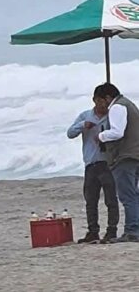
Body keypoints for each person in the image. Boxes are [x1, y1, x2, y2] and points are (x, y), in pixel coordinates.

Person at [67, 94, 118, 243]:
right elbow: (70, 133)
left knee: (111, 199)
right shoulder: (85, 116)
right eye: (101, 103)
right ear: (95, 100)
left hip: (107, 163)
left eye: (106, 103)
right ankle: (93, 231)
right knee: (91, 200)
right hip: (91, 163)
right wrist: (83, 125)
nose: (104, 106)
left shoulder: (112, 116)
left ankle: (111, 230)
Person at [96, 83, 139, 243]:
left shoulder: (117, 107)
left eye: (100, 101)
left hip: (125, 157)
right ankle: (134, 229)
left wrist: (101, 136)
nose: (100, 106)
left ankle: (132, 231)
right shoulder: (129, 104)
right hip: (135, 155)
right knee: (134, 194)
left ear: (107, 98)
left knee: (127, 195)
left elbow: (117, 132)